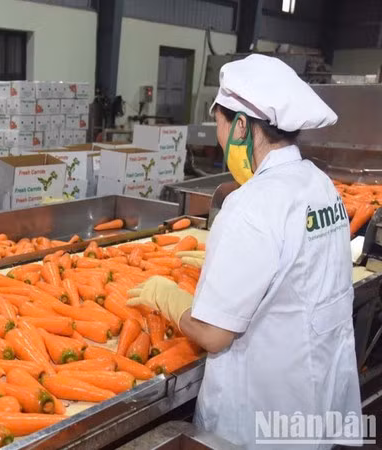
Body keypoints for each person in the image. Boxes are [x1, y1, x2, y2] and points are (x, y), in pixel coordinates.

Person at [127, 54, 361, 448]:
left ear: (240, 126)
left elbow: (214, 336)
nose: (218, 139)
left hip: (261, 411)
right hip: (311, 393)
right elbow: (300, 265)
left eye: (218, 124)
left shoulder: (250, 204)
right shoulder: (319, 184)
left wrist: (168, 299)